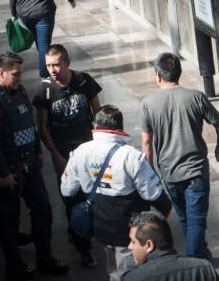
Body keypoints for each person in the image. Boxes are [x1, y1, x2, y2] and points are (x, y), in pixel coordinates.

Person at [0, 52, 68, 279]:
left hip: (29, 165)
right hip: (9, 171)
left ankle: (45, 258)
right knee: (10, 221)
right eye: (15, 74)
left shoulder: (18, 91)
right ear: (1, 73)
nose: (19, 78)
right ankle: (15, 269)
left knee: (43, 211)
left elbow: (30, 122)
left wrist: (38, 153)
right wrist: (3, 173)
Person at [61, 106, 172, 280]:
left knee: (112, 268)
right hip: (128, 231)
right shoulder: (131, 156)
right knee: (130, 272)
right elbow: (152, 192)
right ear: (120, 128)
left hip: (100, 226)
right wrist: (166, 208)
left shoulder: (79, 152)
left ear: (95, 127)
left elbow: (67, 190)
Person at [140, 53, 219, 260]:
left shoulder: (148, 103)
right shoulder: (195, 97)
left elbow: (146, 142)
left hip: (170, 173)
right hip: (196, 170)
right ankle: (193, 260)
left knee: (185, 219)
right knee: (197, 219)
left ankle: (199, 254)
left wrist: (149, 170)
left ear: (158, 76)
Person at [33, 44, 101, 267]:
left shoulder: (83, 81)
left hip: (88, 150)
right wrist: (55, 154)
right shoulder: (44, 91)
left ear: (67, 62)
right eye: (48, 65)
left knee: (91, 195)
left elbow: (98, 114)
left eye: (56, 64)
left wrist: (99, 145)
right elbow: (42, 127)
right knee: (72, 199)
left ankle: (82, 231)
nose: (52, 70)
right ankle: (84, 247)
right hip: (63, 153)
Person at [9, 0, 76, 81]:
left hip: (24, 15)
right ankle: (44, 77)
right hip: (44, 13)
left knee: (41, 46)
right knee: (44, 46)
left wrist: (13, 14)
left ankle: (47, 69)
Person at [123, 212, 219, 281]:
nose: (129, 246)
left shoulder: (132, 278)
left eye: (133, 241)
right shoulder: (204, 267)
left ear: (149, 245)